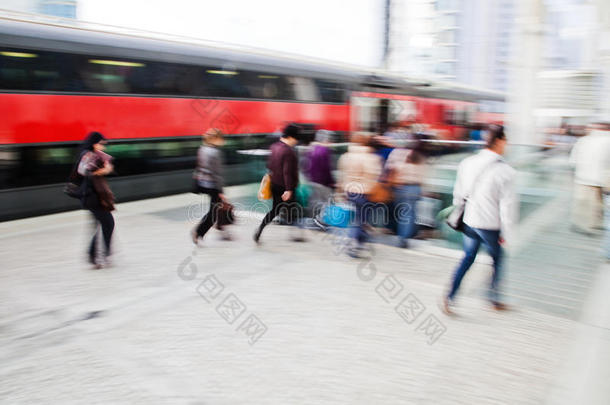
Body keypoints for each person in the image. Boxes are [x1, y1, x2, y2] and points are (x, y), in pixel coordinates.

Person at [442, 125, 518, 314]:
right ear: (499, 141)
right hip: (489, 224)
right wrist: (507, 233)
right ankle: (493, 298)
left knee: (468, 257)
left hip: (469, 221)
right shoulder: (505, 171)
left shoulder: (467, 162)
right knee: (498, 258)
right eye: (505, 141)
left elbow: (458, 194)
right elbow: (507, 207)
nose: (506, 145)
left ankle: (449, 296)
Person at [253, 123, 302, 243]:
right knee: (295, 208)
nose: (296, 141)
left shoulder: (274, 146)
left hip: (274, 184)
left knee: (275, 210)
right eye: (296, 138)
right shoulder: (288, 152)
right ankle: (295, 233)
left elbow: (269, 165)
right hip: (285, 187)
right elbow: (287, 172)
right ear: (290, 137)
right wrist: (289, 189)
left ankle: (260, 229)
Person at [337, 133, 383, 258]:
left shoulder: (346, 156)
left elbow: (342, 174)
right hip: (364, 192)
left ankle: (360, 241)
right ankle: (354, 243)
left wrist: (340, 189)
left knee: (359, 217)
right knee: (360, 219)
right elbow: (373, 175)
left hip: (349, 190)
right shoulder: (371, 157)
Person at [77, 131, 115, 269]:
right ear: (94, 143)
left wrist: (107, 167)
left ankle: (96, 256)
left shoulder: (96, 154)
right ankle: (100, 256)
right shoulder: (87, 155)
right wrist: (103, 170)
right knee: (108, 223)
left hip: (96, 196)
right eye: (101, 143)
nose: (103, 146)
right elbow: (84, 171)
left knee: (102, 225)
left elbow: (107, 162)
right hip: (92, 196)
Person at [385, 134, 428, 248]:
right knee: (410, 214)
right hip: (415, 187)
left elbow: (391, 169)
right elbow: (424, 175)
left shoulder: (397, 153)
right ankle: (404, 237)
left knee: (401, 212)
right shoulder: (420, 156)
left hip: (400, 187)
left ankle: (400, 234)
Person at [191, 128, 231, 244]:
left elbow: (198, 167)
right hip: (213, 185)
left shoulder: (202, 148)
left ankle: (217, 229)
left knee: (214, 209)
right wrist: (221, 191)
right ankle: (198, 232)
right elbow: (217, 174)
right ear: (216, 139)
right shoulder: (216, 152)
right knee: (213, 213)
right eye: (222, 138)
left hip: (203, 183)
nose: (223, 141)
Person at [569, 123, 610, 235]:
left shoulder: (583, 140)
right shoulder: (607, 140)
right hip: (600, 179)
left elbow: (573, 160)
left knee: (582, 201)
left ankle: (581, 224)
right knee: (597, 202)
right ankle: (595, 224)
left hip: (582, 177)